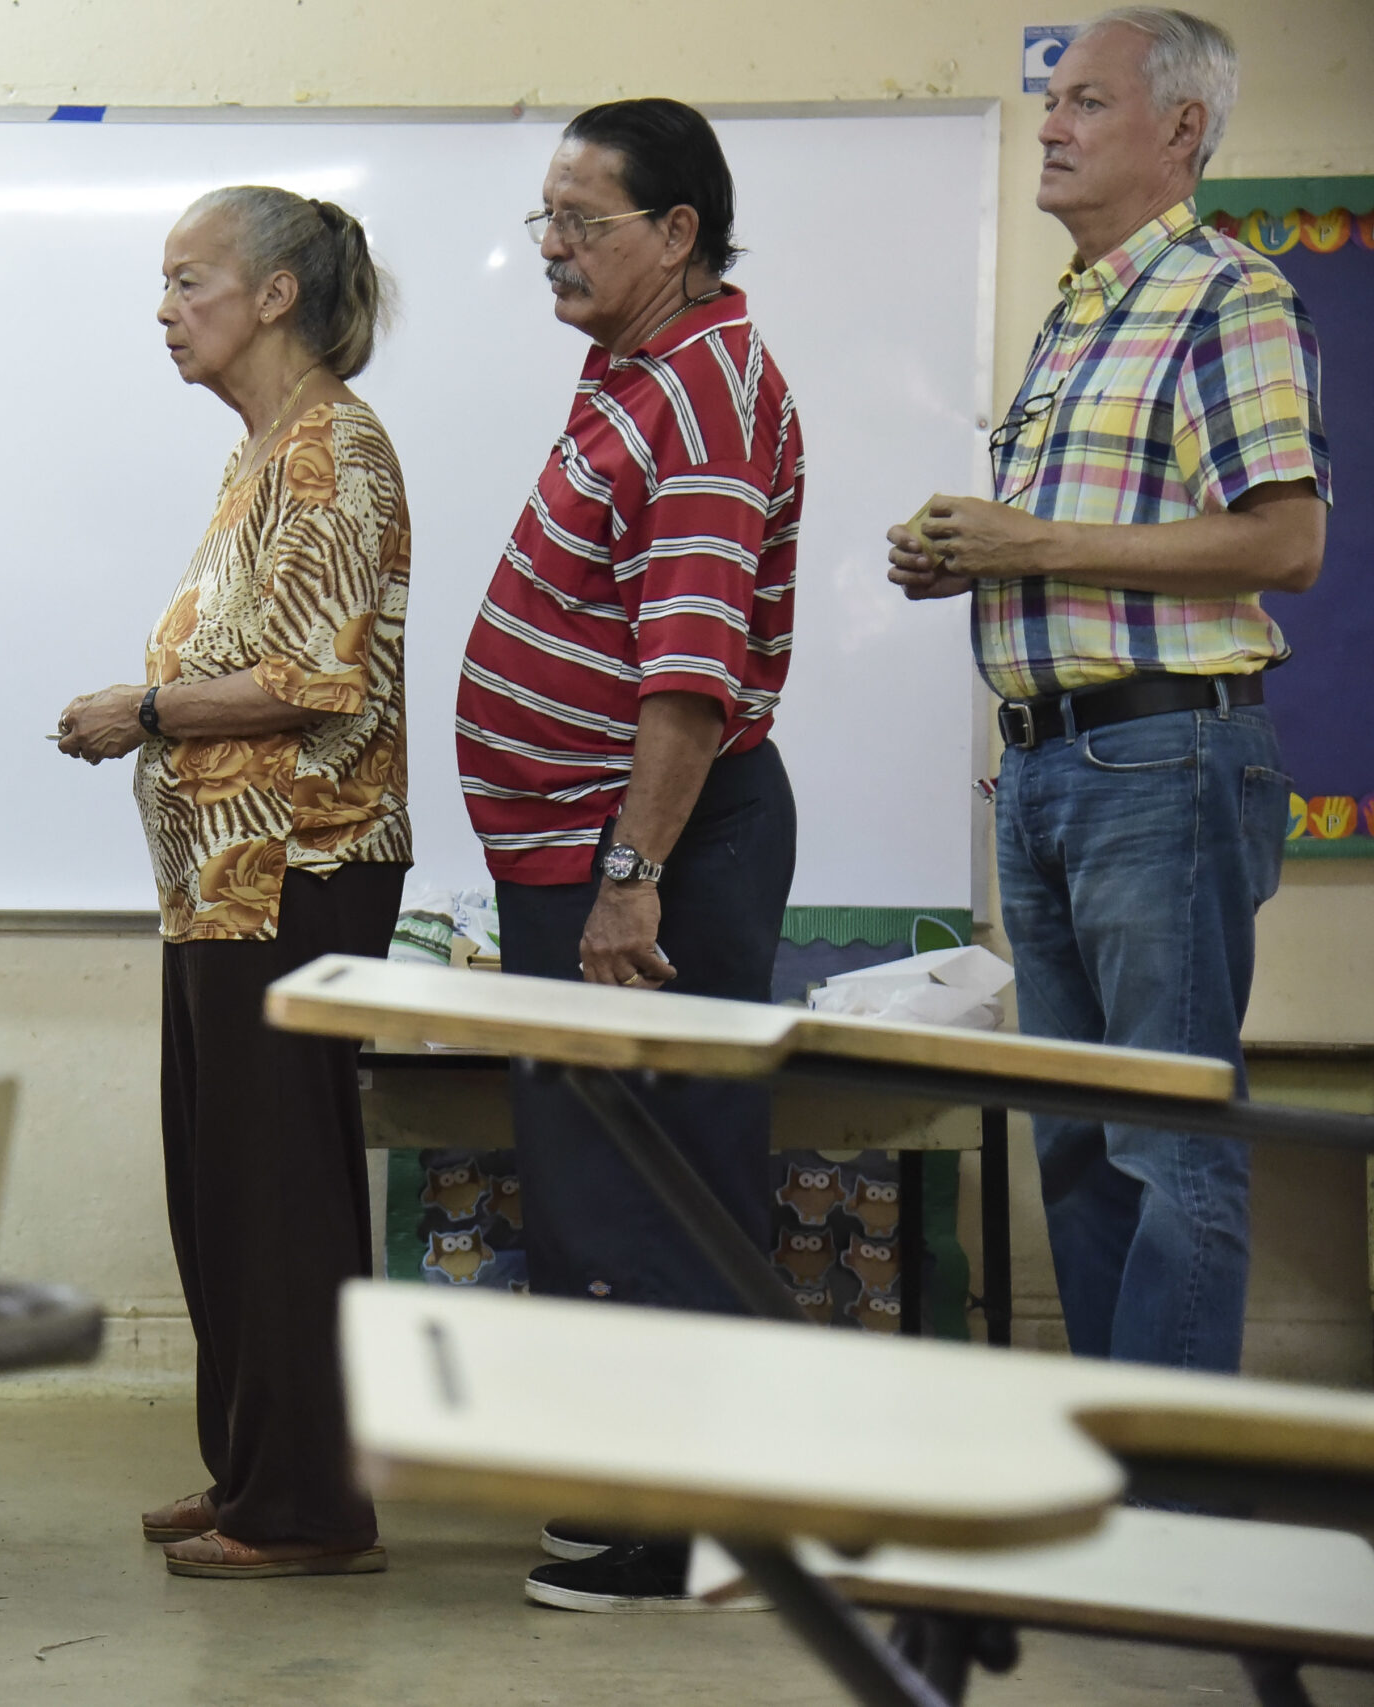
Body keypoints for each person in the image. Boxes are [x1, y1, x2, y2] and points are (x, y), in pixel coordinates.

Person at [888, 10, 1326, 1374]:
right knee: (1075, 1134)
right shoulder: (1080, 308)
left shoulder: (1225, 293)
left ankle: (1172, 1511)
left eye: (1086, 102)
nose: (1052, 126)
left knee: (1165, 1136)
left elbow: (1285, 541)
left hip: (1158, 764)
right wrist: (968, 555)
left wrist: (1037, 544)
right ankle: (1107, 1475)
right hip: (1044, 768)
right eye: (1052, 101)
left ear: (1182, 131)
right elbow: (1085, 541)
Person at [453, 98, 803, 1612]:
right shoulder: (633, 371)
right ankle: (643, 1503)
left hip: (657, 847)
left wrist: (629, 872)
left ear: (675, 233)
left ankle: (694, 1530)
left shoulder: (706, 392)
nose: (553, 250)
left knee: (661, 1178)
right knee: (598, 1176)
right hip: (592, 846)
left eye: (582, 222)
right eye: (544, 220)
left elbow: (686, 672)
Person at [57, 186, 410, 1581]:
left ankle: (314, 1505)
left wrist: (142, 710)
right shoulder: (264, 450)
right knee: (226, 1188)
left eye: (188, 280)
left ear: (276, 296)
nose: (165, 309)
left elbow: (318, 680)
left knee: (284, 1193)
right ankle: (254, 1471)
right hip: (224, 879)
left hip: (295, 867)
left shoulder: (332, 450)